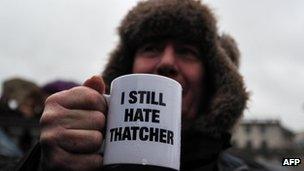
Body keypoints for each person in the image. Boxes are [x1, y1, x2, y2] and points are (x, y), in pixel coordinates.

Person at [15, 0, 266, 170]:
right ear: (126, 68)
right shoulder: (78, 162)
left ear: (212, 79)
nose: (167, 62)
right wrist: (42, 162)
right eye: (151, 48)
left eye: (187, 52)